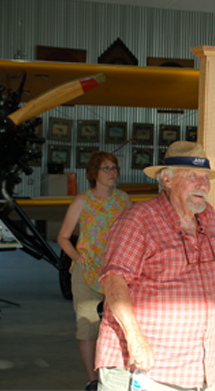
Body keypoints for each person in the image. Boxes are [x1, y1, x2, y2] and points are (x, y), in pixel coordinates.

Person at [94, 142, 215, 391]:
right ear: (167, 180)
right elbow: (113, 279)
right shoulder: (138, 219)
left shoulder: (209, 219)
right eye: (193, 176)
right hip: (142, 369)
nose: (203, 184)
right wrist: (135, 337)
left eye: (205, 177)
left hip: (194, 372)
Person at [57, 151, 132, 391]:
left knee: (121, 324)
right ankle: (92, 380)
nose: (112, 173)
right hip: (87, 274)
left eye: (114, 168)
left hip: (117, 272)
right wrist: (80, 260)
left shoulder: (123, 200)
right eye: (106, 169)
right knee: (88, 327)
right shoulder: (82, 200)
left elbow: (133, 234)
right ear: (94, 173)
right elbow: (63, 238)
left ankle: (117, 375)